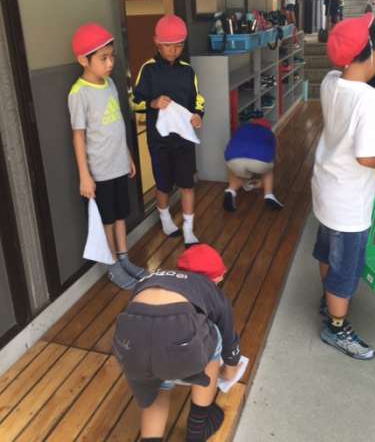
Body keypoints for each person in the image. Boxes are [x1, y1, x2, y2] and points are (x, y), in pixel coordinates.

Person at [312, 13, 375, 360]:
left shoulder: (329, 82)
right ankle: (336, 326)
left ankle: (328, 303)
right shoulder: (371, 100)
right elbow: (367, 157)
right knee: (345, 269)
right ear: (374, 52)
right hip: (349, 202)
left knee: (327, 253)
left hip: (326, 189)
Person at [113, 244, 241, 442]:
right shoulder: (208, 287)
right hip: (175, 337)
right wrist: (229, 370)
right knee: (214, 332)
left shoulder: (152, 278)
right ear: (214, 279)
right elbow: (229, 337)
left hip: (130, 341)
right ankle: (198, 428)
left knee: (155, 385)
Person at [69, 23, 144, 290]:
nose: (110, 63)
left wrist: (128, 156)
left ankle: (124, 259)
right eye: (103, 58)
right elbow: (78, 136)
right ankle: (112, 266)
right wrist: (84, 176)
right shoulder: (79, 93)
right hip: (99, 171)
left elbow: (117, 125)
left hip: (118, 165)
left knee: (121, 215)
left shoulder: (110, 83)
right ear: (83, 60)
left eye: (111, 56)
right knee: (107, 219)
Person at [133, 15, 205, 246]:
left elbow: (198, 99)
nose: (174, 50)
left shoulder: (187, 71)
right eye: (168, 45)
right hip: (159, 140)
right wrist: (152, 103)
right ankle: (165, 218)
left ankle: (188, 229)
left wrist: (198, 115)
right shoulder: (148, 70)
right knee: (163, 184)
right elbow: (134, 101)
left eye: (179, 45)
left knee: (187, 184)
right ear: (157, 42)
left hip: (183, 139)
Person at [223, 118, 284, 212]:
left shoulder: (241, 129)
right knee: (268, 169)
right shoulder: (269, 133)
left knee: (233, 167)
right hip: (260, 162)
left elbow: (232, 144)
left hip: (233, 159)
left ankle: (231, 190)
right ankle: (269, 195)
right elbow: (275, 156)